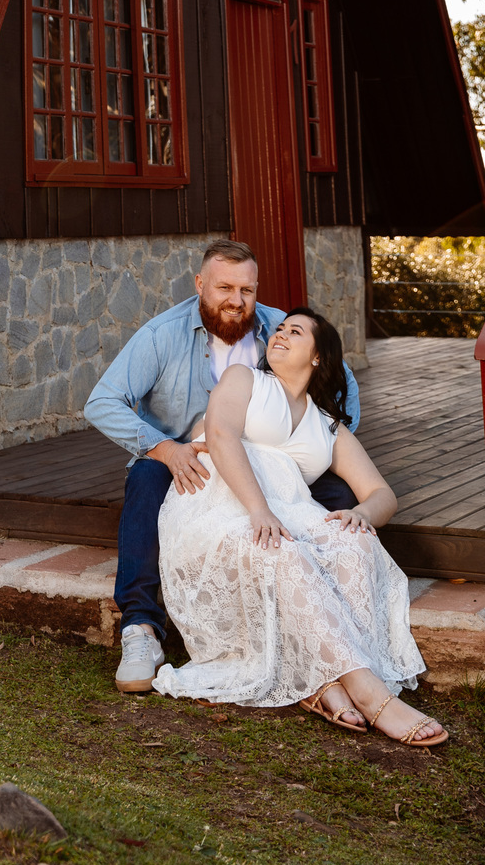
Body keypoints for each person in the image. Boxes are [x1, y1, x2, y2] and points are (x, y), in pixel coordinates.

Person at [152, 308, 444, 746]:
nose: (280, 335)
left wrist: (362, 515)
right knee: (281, 552)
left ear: (318, 358)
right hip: (218, 507)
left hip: (290, 512)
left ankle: (327, 683)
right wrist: (258, 509)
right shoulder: (244, 380)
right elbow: (221, 436)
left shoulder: (327, 426)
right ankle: (370, 693)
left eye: (296, 331)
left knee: (355, 546)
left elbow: (382, 494)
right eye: (280, 329)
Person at [84, 240, 360, 698]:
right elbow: (102, 402)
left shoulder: (280, 329)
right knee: (144, 481)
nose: (236, 301)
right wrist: (165, 448)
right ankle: (140, 629)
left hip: (272, 467)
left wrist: (314, 447)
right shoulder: (162, 334)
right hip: (189, 461)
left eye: (246, 289)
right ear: (200, 285)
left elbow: (341, 383)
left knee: (339, 499)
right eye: (224, 288)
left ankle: (324, 617)